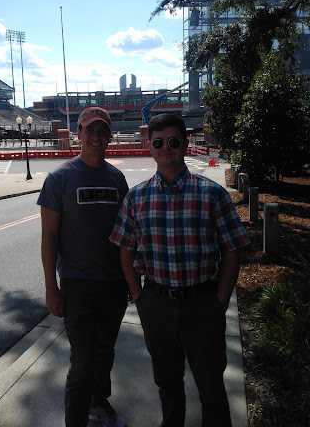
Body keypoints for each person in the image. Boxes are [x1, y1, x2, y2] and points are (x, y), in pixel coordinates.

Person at [110, 113, 250, 427]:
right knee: (167, 384)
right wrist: (139, 298)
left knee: (211, 386)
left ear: (185, 143)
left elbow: (232, 249)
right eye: (158, 143)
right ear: (150, 147)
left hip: (202, 303)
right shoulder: (137, 197)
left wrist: (220, 301)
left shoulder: (211, 194)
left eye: (173, 141)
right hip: (156, 303)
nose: (166, 148)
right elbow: (125, 249)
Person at [37, 107, 128, 427]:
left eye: (102, 131)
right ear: (78, 133)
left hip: (114, 284)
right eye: (90, 130)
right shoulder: (59, 179)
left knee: (105, 354)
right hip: (77, 284)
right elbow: (48, 236)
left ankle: (98, 404)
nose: (96, 136)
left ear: (109, 137)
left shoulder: (117, 179)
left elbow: (125, 234)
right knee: (83, 362)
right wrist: (51, 287)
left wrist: (130, 280)